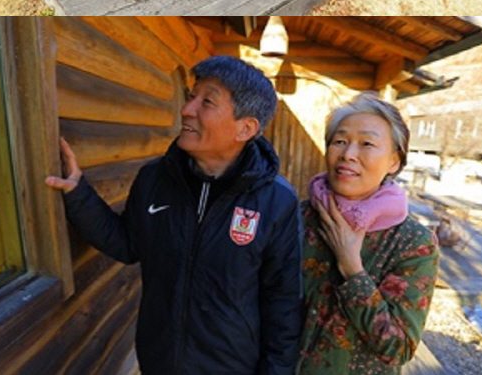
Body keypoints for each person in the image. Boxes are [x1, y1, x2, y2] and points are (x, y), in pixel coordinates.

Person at [46, 55, 302, 375]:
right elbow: (128, 244)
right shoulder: (155, 179)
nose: (186, 109)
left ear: (245, 128)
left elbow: (283, 301)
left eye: (206, 101)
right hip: (159, 362)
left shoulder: (276, 200)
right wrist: (78, 194)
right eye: (191, 96)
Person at [298, 93, 439, 375]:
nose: (348, 154)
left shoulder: (412, 243)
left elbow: (399, 348)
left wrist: (352, 269)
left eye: (367, 144)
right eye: (339, 141)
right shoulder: (298, 217)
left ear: (394, 162)